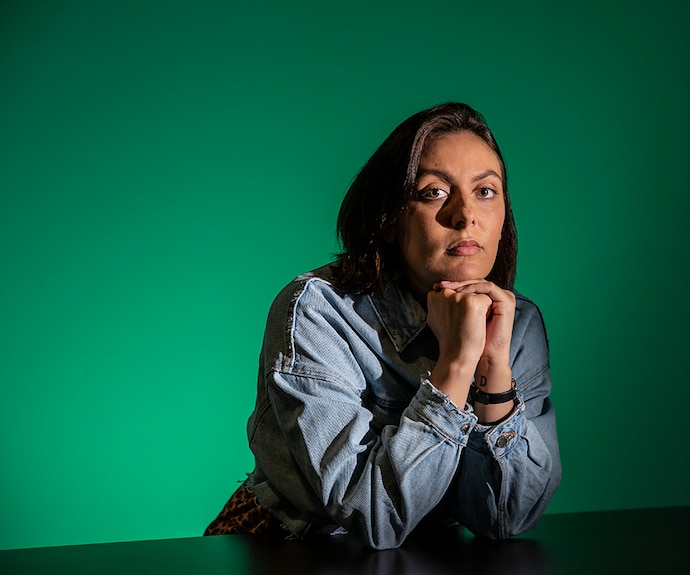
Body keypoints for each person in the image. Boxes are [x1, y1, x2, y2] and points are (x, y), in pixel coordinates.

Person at [204, 102, 561, 549]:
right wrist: (456, 361)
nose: (465, 214)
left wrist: (493, 369)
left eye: (486, 191)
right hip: (289, 551)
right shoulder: (318, 313)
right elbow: (372, 517)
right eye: (434, 192)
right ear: (390, 219)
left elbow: (509, 517)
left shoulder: (516, 322)